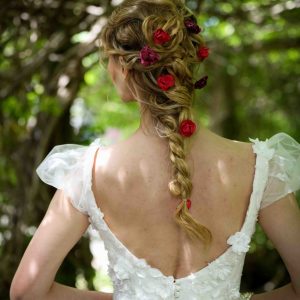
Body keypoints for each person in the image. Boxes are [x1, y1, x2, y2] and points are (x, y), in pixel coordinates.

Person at [10, 0, 300, 299]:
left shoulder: (90, 173)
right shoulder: (260, 166)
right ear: (188, 65)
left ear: (123, 69)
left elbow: (26, 292)